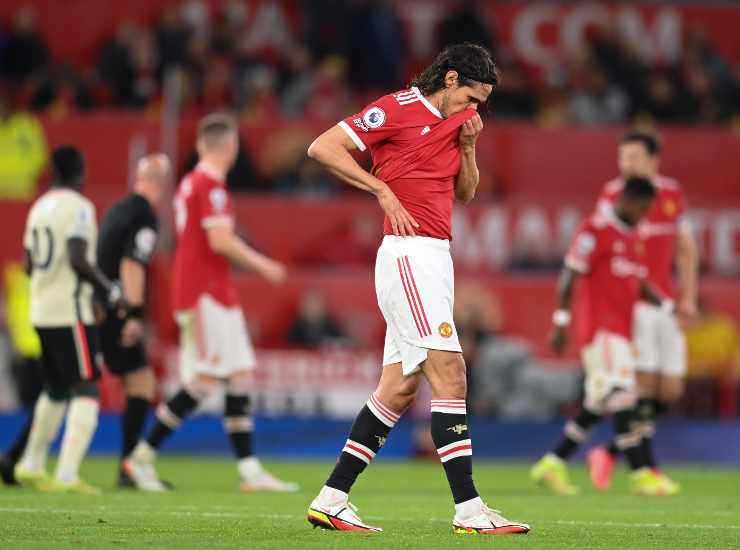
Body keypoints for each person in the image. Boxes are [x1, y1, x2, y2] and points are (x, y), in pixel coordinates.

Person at [305, 43, 529, 535]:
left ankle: (332, 497)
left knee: (400, 387)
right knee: (451, 371)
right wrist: (381, 189)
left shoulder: (458, 125)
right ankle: (470, 510)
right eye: (471, 98)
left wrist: (469, 147)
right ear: (449, 80)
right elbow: (322, 147)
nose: (475, 110)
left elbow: (465, 193)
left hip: (436, 257)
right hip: (408, 255)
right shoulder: (396, 109)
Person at [124, 113, 297, 493]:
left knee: (239, 375)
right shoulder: (210, 186)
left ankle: (250, 472)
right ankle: (140, 459)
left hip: (211, 292)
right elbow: (220, 241)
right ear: (231, 148)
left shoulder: (191, 183)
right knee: (203, 380)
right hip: (205, 294)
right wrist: (264, 264)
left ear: (203, 144)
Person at [530, 176, 671, 496]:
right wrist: (561, 321)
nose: (645, 215)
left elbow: (638, 280)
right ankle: (641, 473)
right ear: (630, 201)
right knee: (624, 396)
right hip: (602, 331)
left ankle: (552, 462)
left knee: (596, 404)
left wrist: (665, 305)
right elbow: (569, 274)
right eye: (644, 208)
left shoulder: (632, 235)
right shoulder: (595, 230)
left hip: (621, 332)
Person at [587, 130, 698, 493]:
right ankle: (646, 469)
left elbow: (686, 249)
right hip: (632, 305)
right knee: (643, 386)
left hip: (664, 301)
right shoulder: (612, 195)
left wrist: (688, 298)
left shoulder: (672, 193)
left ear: (653, 160)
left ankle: (608, 451)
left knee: (670, 389)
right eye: (623, 158)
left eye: (634, 157)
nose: (627, 164)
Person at [14, 146, 125, 495]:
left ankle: (30, 463)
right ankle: (66, 473)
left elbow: (29, 265)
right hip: (69, 311)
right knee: (88, 388)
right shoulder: (78, 208)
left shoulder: (39, 207)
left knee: (56, 388)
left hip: (40, 310)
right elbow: (78, 257)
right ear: (81, 171)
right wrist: (108, 290)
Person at [96, 153, 171, 487]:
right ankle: (129, 467)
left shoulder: (118, 209)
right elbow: (131, 265)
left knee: (68, 386)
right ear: (162, 183)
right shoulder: (143, 215)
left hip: (97, 306)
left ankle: (128, 467)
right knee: (141, 384)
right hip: (115, 310)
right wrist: (133, 314)